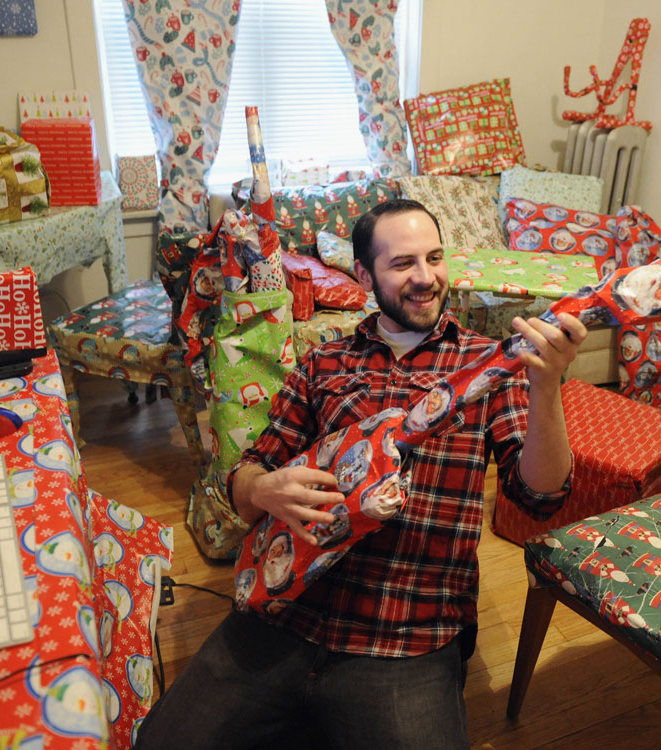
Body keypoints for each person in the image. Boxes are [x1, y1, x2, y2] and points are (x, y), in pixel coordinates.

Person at [134, 198, 586, 750]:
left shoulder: (490, 367)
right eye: (403, 264)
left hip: (406, 633)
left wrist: (546, 387)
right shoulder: (325, 362)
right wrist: (262, 488)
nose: (426, 278)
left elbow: (540, 494)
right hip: (284, 613)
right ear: (366, 275)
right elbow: (246, 477)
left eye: (435, 258)